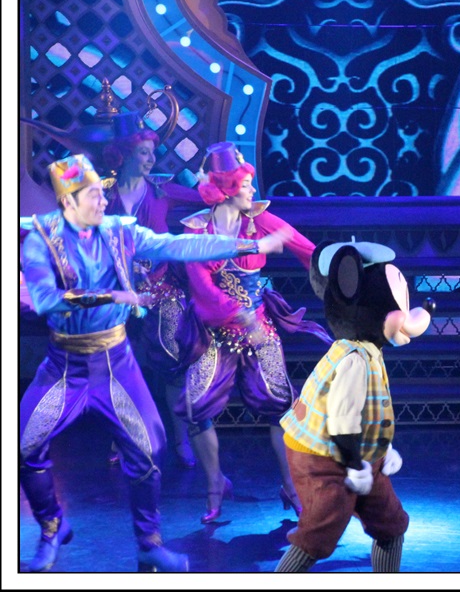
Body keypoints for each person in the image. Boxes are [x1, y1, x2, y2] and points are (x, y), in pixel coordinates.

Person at [18, 154, 289, 572]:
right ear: (69, 203)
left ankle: (149, 543)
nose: (104, 201)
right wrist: (113, 296)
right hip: (65, 366)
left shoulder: (119, 232)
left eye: (103, 193)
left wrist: (248, 245)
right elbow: (47, 300)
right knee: (24, 444)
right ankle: (51, 527)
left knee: (150, 449)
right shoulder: (41, 240)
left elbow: (178, 246)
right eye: (94, 195)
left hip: (114, 363)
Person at [174, 142, 330, 525]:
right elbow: (202, 288)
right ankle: (215, 484)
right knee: (196, 407)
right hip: (217, 335)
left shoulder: (260, 221)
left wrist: (342, 273)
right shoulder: (197, 231)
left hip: (260, 331)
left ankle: (291, 485)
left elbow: (307, 250)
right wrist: (239, 316)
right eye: (244, 185)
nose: (252, 191)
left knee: (282, 408)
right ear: (225, 188)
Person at [275, 241, 434, 573]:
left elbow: (367, 414)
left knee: (391, 524)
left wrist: (380, 450)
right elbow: (342, 422)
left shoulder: (368, 351)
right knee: (318, 533)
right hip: (321, 456)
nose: (409, 318)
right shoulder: (354, 360)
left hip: (357, 455)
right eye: (398, 308)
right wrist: (355, 465)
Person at [101, 111, 197, 468]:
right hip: (119, 295)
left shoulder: (162, 191)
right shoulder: (103, 196)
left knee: (173, 365)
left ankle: (181, 438)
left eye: (151, 153)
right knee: (118, 368)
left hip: (161, 291)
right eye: (143, 152)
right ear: (123, 155)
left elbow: (207, 198)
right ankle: (121, 436)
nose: (151, 159)